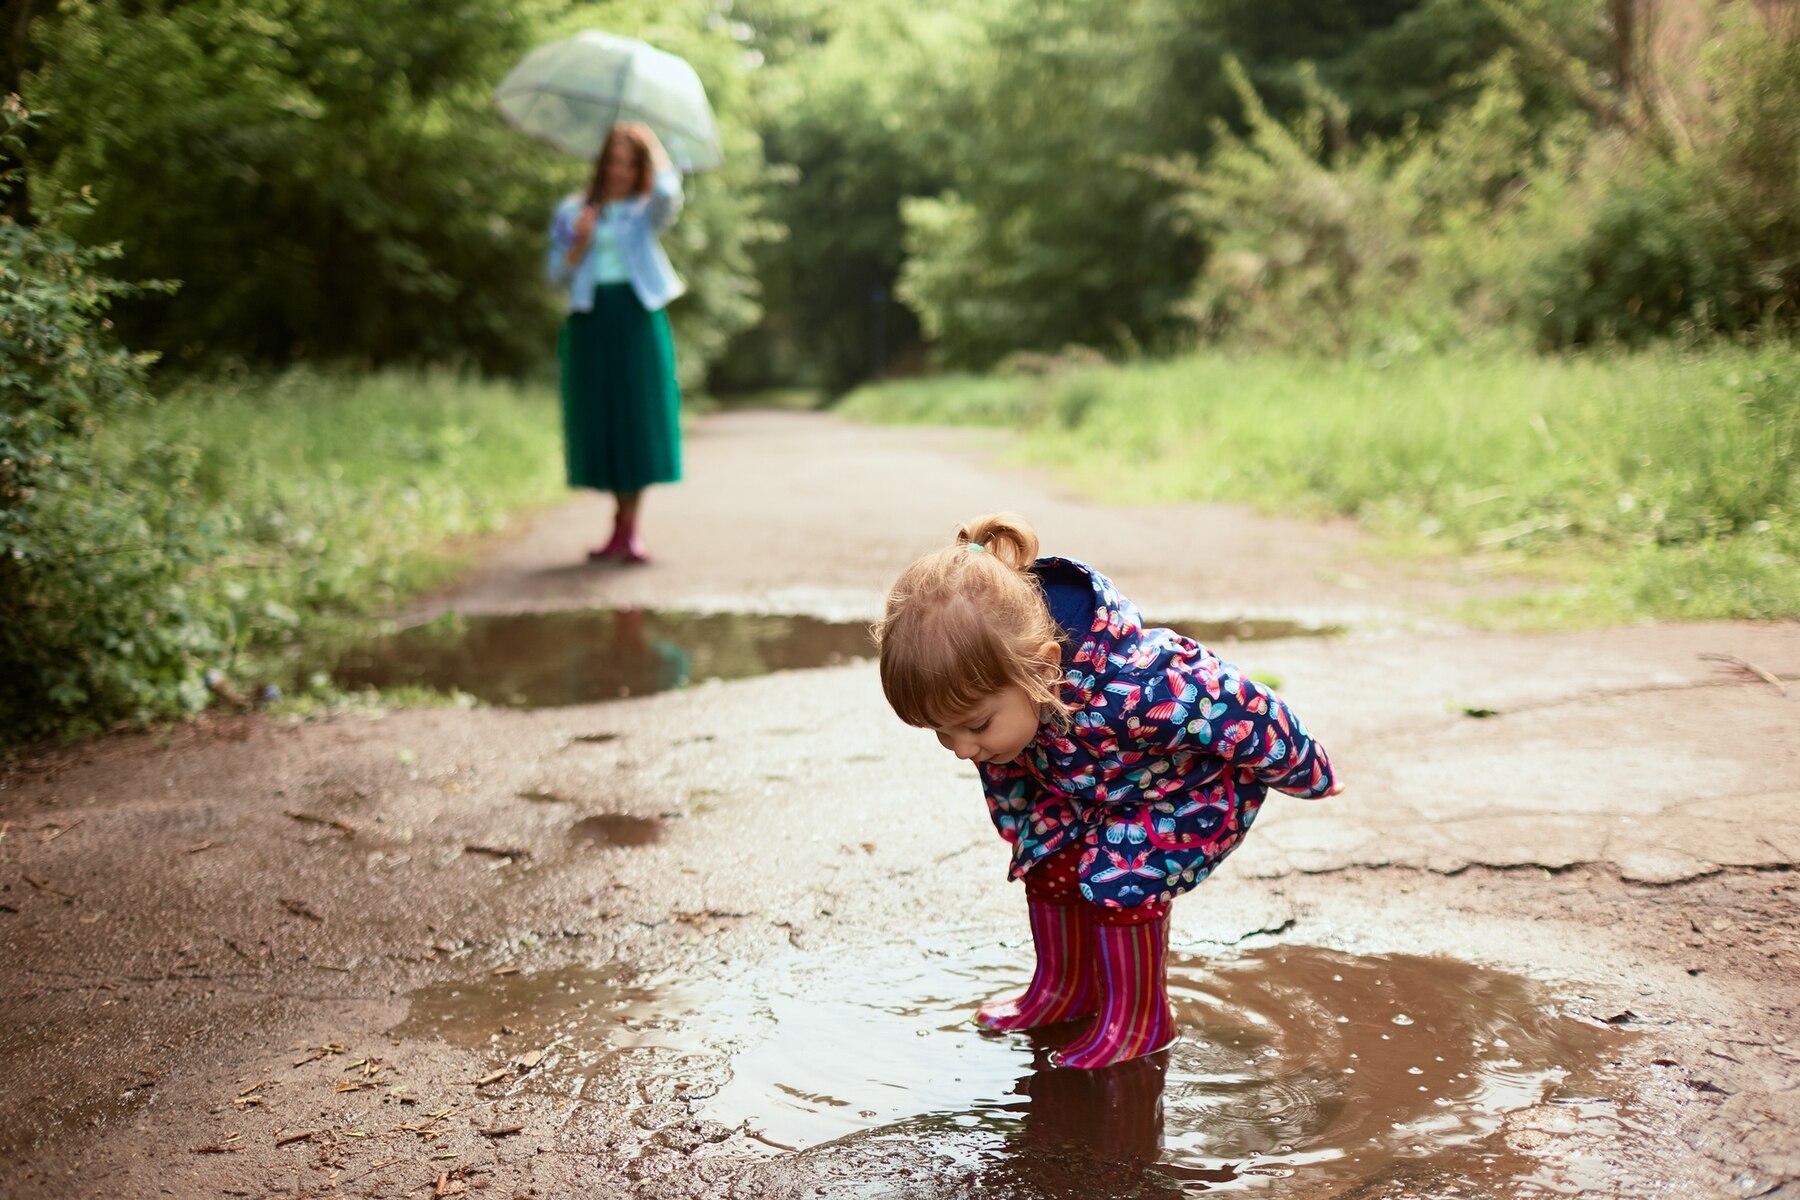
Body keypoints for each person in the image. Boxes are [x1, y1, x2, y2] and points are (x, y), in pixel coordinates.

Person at [874, 513, 1340, 1069]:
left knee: (1121, 876)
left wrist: (1306, 771)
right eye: (940, 732)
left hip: (1181, 795)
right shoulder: (1004, 694)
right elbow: (1016, 791)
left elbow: (1246, 708)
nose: (961, 748)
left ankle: (1140, 1019)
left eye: (975, 726)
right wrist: (1025, 825)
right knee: (1048, 860)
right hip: (1088, 794)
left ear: (1043, 670)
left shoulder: (1143, 682)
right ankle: (1065, 989)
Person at [546, 121, 686, 564]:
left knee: (637, 419)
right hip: (591, 319)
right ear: (601, 162)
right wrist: (579, 242)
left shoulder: (644, 210)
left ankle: (628, 530)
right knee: (602, 418)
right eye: (614, 161)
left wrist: (656, 152)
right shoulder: (573, 211)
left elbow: (669, 198)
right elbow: (554, 274)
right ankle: (619, 527)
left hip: (636, 318)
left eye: (630, 163)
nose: (620, 171)